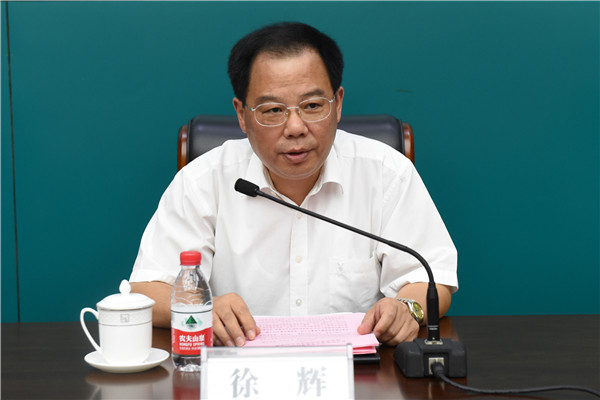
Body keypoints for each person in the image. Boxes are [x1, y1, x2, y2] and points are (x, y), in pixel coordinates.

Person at [130, 22, 458, 347]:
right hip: (239, 370)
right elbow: (147, 289)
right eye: (273, 110)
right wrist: (202, 308)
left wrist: (408, 308)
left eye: (312, 106)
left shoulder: (386, 173)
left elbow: (431, 279)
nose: (296, 127)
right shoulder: (203, 181)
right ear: (242, 115)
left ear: (338, 104)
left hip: (359, 371)